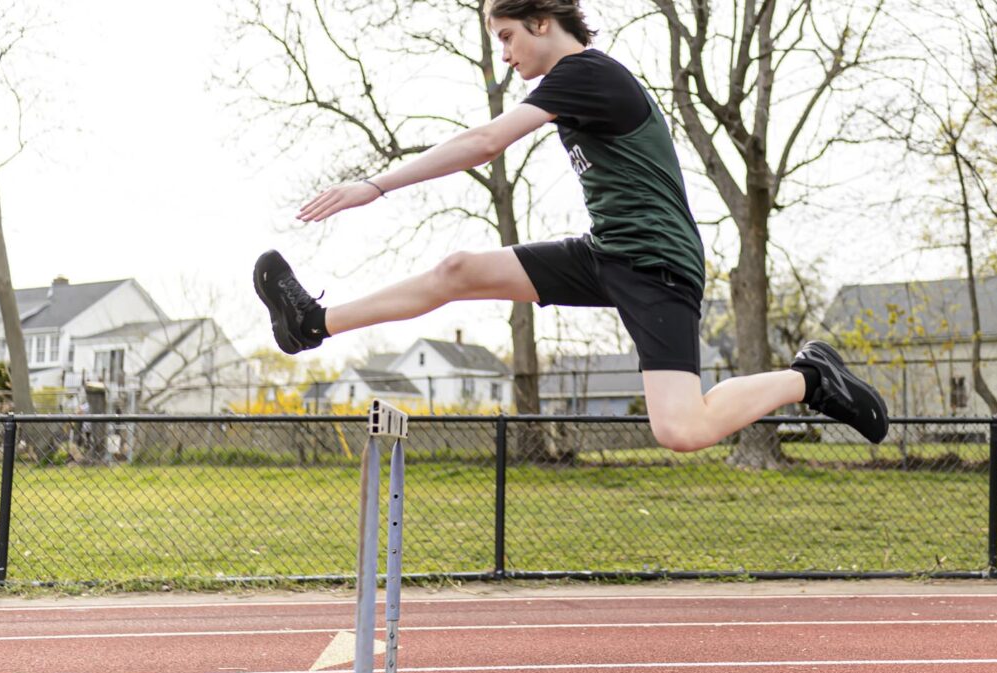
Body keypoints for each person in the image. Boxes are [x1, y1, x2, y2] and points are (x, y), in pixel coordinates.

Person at [255, 0, 889, 449]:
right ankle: (311, 324)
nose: (503, 55)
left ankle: (810, 378)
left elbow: (485, 143)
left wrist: (375, 184)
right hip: (605, 249)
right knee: (458, 270)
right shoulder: (573, 83)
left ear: (541, 21)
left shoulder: (587, 75)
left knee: (681, 429)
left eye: (506, 37)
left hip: (655, 264)